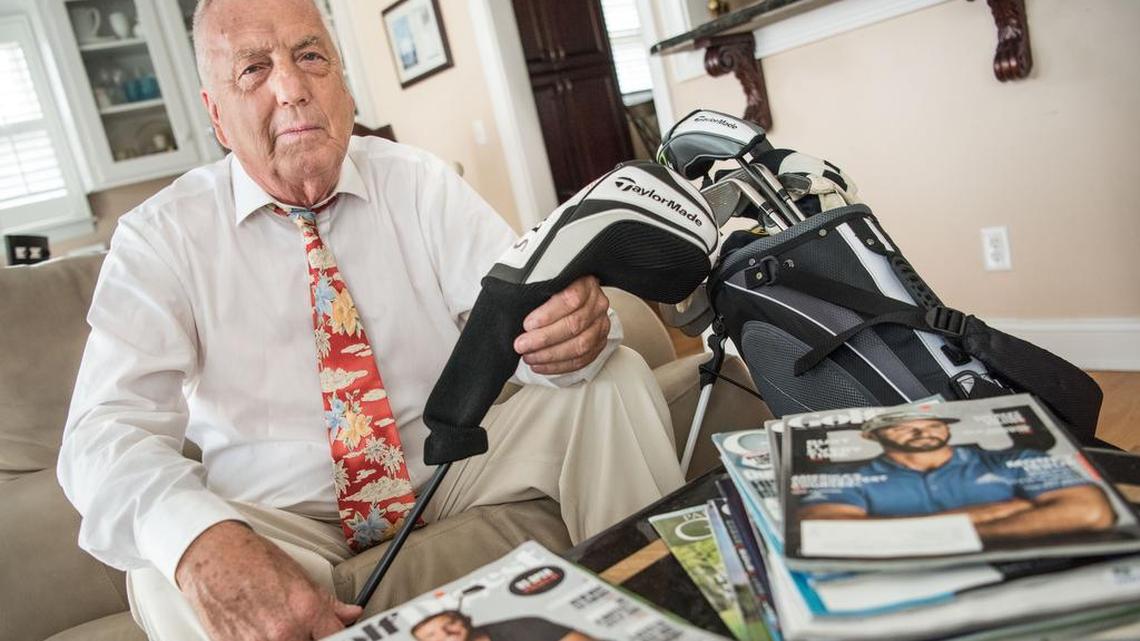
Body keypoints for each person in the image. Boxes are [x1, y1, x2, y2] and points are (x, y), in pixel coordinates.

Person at [55, 0, 685, 639]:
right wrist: (198, 539)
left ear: (343, 83)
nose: (292, 88)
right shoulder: (160, 238)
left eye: (310, 56)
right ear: (216, 114)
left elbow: (520, 324)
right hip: (289, 517)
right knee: (166, 570)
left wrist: (567, 336)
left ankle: (664, 615)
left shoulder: (418, 182)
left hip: (447, 464)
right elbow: (102, 431)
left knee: (612, 378)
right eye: (253, 70)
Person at [797, 411, 1115, 540]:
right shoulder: (843, 475)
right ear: (873, 436)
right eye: (903, 428)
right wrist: (991, 513)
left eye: (933, 425)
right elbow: (826, 531)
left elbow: (1089, 511)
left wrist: (896, 534)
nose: (922, 431)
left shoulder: (1017, 458)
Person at [411, 610, 597, 641]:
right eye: (431, 636)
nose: (446, 633)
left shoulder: (521, 626)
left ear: (464, 620)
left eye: (450, 624)